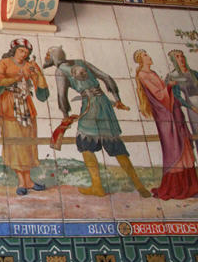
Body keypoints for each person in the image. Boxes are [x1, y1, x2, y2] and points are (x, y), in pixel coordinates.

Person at [44, 46, 150, 198]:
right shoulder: (81, 62)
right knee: (115, 143)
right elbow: (106, 77)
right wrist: (117, 100)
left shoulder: (61, 71)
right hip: (105, 103)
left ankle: (97, 186)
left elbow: (62, 96)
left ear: (53, 58)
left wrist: (65, 114)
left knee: (85, 142)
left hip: (90, 104)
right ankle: (140, 186)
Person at [0, 38, 49, 196]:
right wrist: (17, 78)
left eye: (27, 52)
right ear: (14, 50)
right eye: (21, 50)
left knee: (27, 143)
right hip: (9, 106)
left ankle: (28, 180)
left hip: (26, 107)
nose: (24, 54)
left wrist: (38, 75)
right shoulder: (5, 62)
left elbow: (42, 92)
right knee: (14, 144)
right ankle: (21, 181)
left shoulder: (31, 65)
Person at [134, 50, 198, 199]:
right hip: (166, 115)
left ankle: (191, 185)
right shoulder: (143, 75)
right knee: (174, 150)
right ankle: (178, 187)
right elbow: (158, 94)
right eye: (145, 55)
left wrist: (170, 89)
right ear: (140, 60)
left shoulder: (153, 72)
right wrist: (169, 86)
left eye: (147, 54)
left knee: (184, 145)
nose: (149, 56)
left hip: (173, 111)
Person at [166, 49, 198, 152]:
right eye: (177, 57)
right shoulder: (174, 76)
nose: (181, 59)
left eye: (182, 56)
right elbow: (177, 96)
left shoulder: (194, 73)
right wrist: (191, 107)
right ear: (173, 60)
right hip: (193, 108)